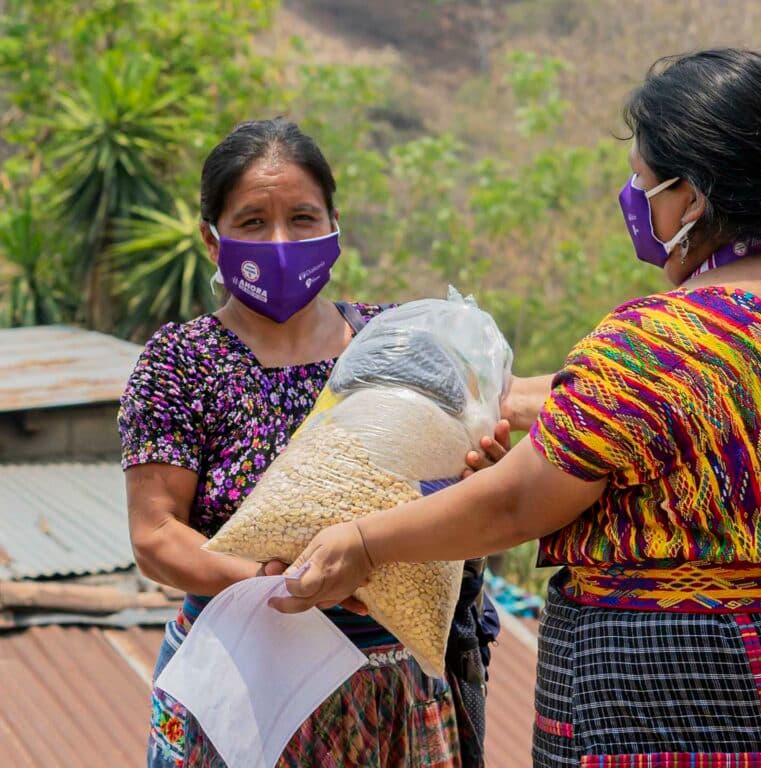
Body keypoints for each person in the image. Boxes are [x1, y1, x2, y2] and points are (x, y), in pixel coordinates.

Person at [271, 50, 761, 768]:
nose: (634, 199)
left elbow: (516, 504)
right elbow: (663, 405)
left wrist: (364, 543)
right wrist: (493, 398)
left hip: (680, 711)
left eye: (642, 181)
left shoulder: (664, 338)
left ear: (692, 199)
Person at [120, 117, 504, 768]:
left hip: (397, 683)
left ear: (334, 226)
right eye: (252, 221)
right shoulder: (181, 362)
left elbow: (465, 496)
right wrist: (283, 586)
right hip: (247, 683)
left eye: (302, 218)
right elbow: (156, 535)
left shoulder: (397, 343)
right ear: (212, 239)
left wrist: (476, 473)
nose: (280, 241)